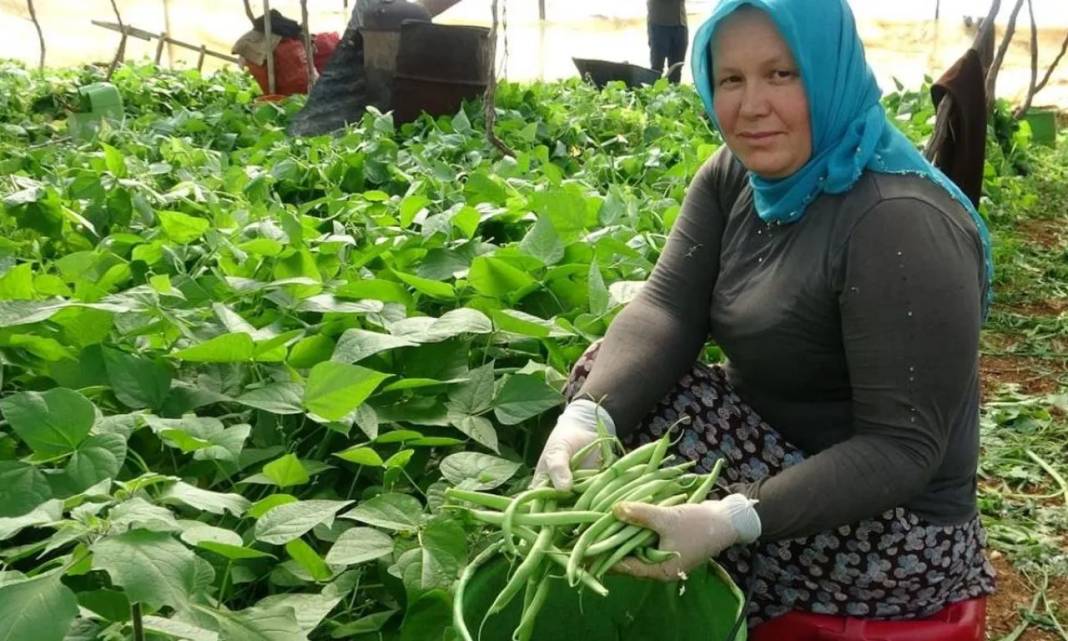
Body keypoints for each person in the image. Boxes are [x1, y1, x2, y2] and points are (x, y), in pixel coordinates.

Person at [533, 0, 997, 627]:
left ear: (830, 71)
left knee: (653, 433)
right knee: (612, 383)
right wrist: (589, 415)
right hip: (782, 446)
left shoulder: (898, 222)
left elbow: (901, 450)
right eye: (731, 79)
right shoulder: (737, 175)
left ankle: (710, 579)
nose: (751, 106)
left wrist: (735, 516)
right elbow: (668, 305)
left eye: (783, 74)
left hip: (895, 533)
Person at [648, 0, 688, 83]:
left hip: (680, 24)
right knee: (656, 69)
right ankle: (655, 95)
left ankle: (675, 94)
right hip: (659, 23)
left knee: (677, 68)